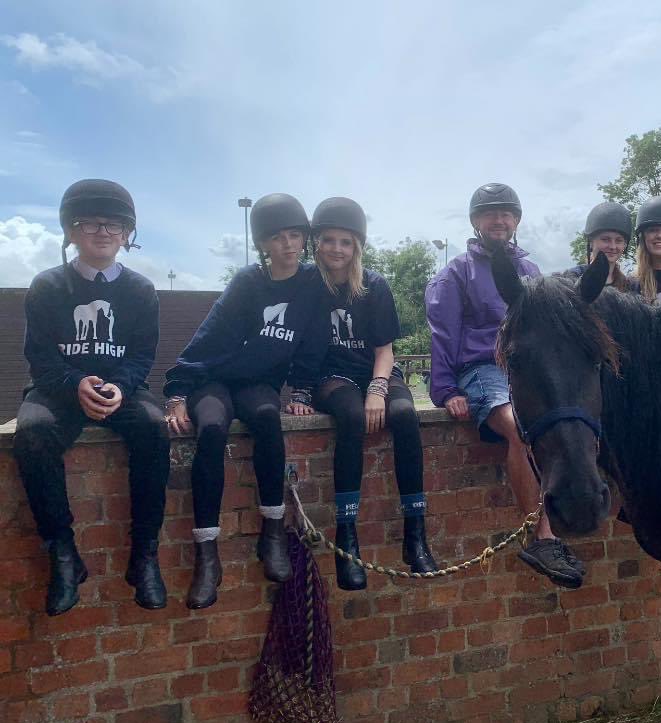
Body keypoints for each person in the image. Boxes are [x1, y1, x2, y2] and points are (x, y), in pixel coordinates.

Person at [164, 193, 329, 609]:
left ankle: (272, 533)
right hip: (213, 380)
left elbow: (311, 346)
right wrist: (179, 394)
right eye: (277, 238)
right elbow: (207, 340)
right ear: (263, 245)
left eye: (295, 236)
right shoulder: (247, 283)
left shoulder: (312, 285)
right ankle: (207, 554)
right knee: (214, 428)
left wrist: (303, 392)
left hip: (259, 383)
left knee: (267, 419)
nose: (288, 245)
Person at [14, 179, 169, 615]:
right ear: (71, 231)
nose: (103, 232)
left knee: (155, 431)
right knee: (34, 435)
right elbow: (39, 357)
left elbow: (143, 355)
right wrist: (73, 384)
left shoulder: (140, 291)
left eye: (114, 225)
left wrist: (120, 385)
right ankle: (63, 554)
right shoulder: (47, 286)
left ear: (126, 234)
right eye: (91, 223)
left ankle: (144, 556)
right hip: (59, 389)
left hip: (121, 386)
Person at [425, 183, 586, 589]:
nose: (499, 220)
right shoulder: (457, 272)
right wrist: (446, 390)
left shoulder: (530, 272)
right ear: (476, 222)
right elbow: (443, 333)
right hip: (482, 370)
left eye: (507, 213)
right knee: (521, 428)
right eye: (490, 213)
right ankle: (541, 537)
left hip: (524, 369)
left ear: (515, 221)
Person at [287, 197, 438, 589]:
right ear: (316, 243)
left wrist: (378, 389)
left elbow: (385, 350)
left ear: (357, 247)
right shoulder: (306, 285)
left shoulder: (374, 285)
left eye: (346, 242)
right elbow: (297, 345)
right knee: (351, 418)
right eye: (329, 240)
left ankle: (415, 533)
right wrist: (300, 394)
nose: (337, 248)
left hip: (376, 370)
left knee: (405, 415)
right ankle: (347, 537)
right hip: (332, 377)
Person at [564, 201, 636, 291]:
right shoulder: (571, 279)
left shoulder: (629, 287)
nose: (613, 246)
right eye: (605, 239)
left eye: (618, 240)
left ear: (625, 245)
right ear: (591, 242)